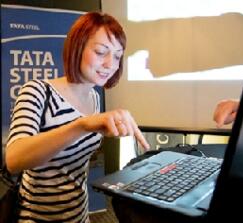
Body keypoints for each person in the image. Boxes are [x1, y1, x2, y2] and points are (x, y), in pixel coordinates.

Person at [5, 12, 149, 223]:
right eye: (101, 52)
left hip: (79, 215)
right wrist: (81, 125)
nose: (111, 64)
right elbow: (14, 159)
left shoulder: (93, 96)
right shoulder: (37, 91)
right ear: (77, 47)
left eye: (117, 56)